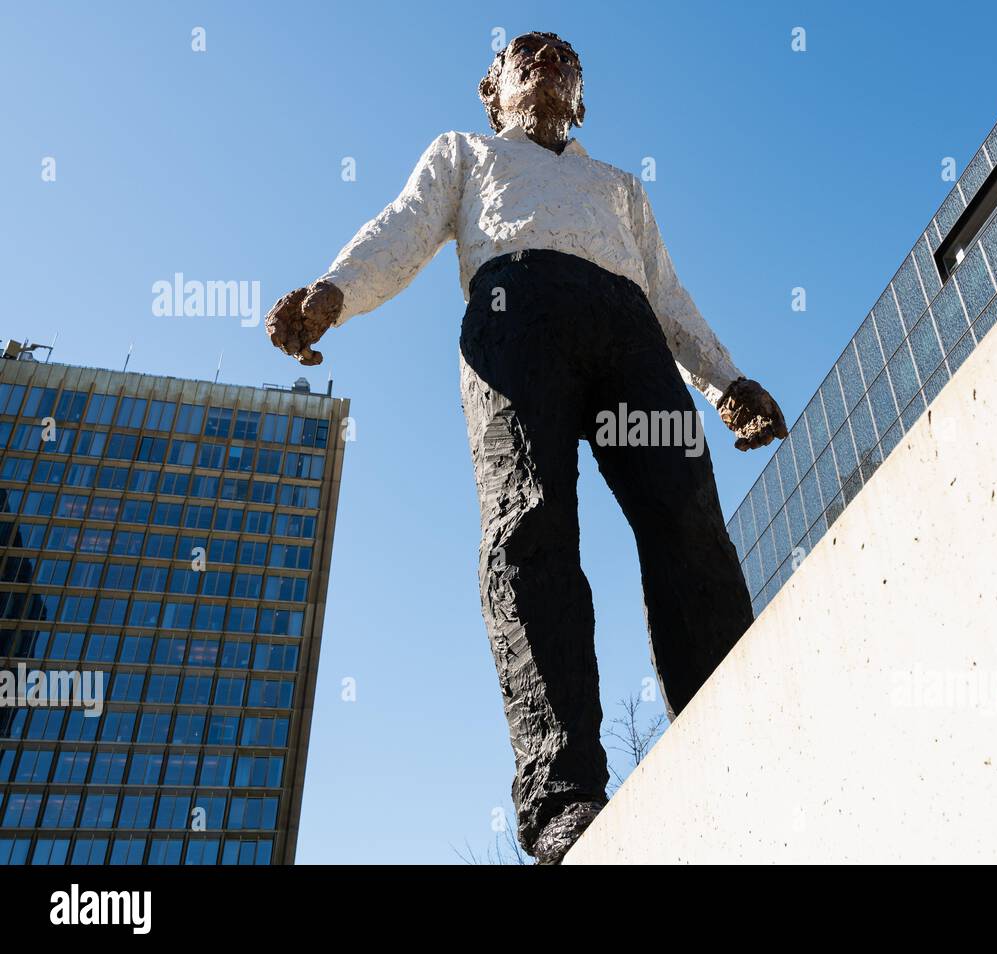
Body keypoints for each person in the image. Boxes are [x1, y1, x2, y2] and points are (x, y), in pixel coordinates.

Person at [265, 31, 787, 863]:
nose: (546, 62)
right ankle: (563, 793)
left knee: (687, 519)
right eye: (526, 55)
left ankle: (738, 723)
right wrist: (335, 291)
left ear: (580, 97)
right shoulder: (464, 153)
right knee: (529, 530)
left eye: (564, 58)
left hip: (629, 332)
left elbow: (666, 291)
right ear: (492, 90)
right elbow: (404, 227)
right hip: (515, 318)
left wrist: (724, 380)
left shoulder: (619, 187)